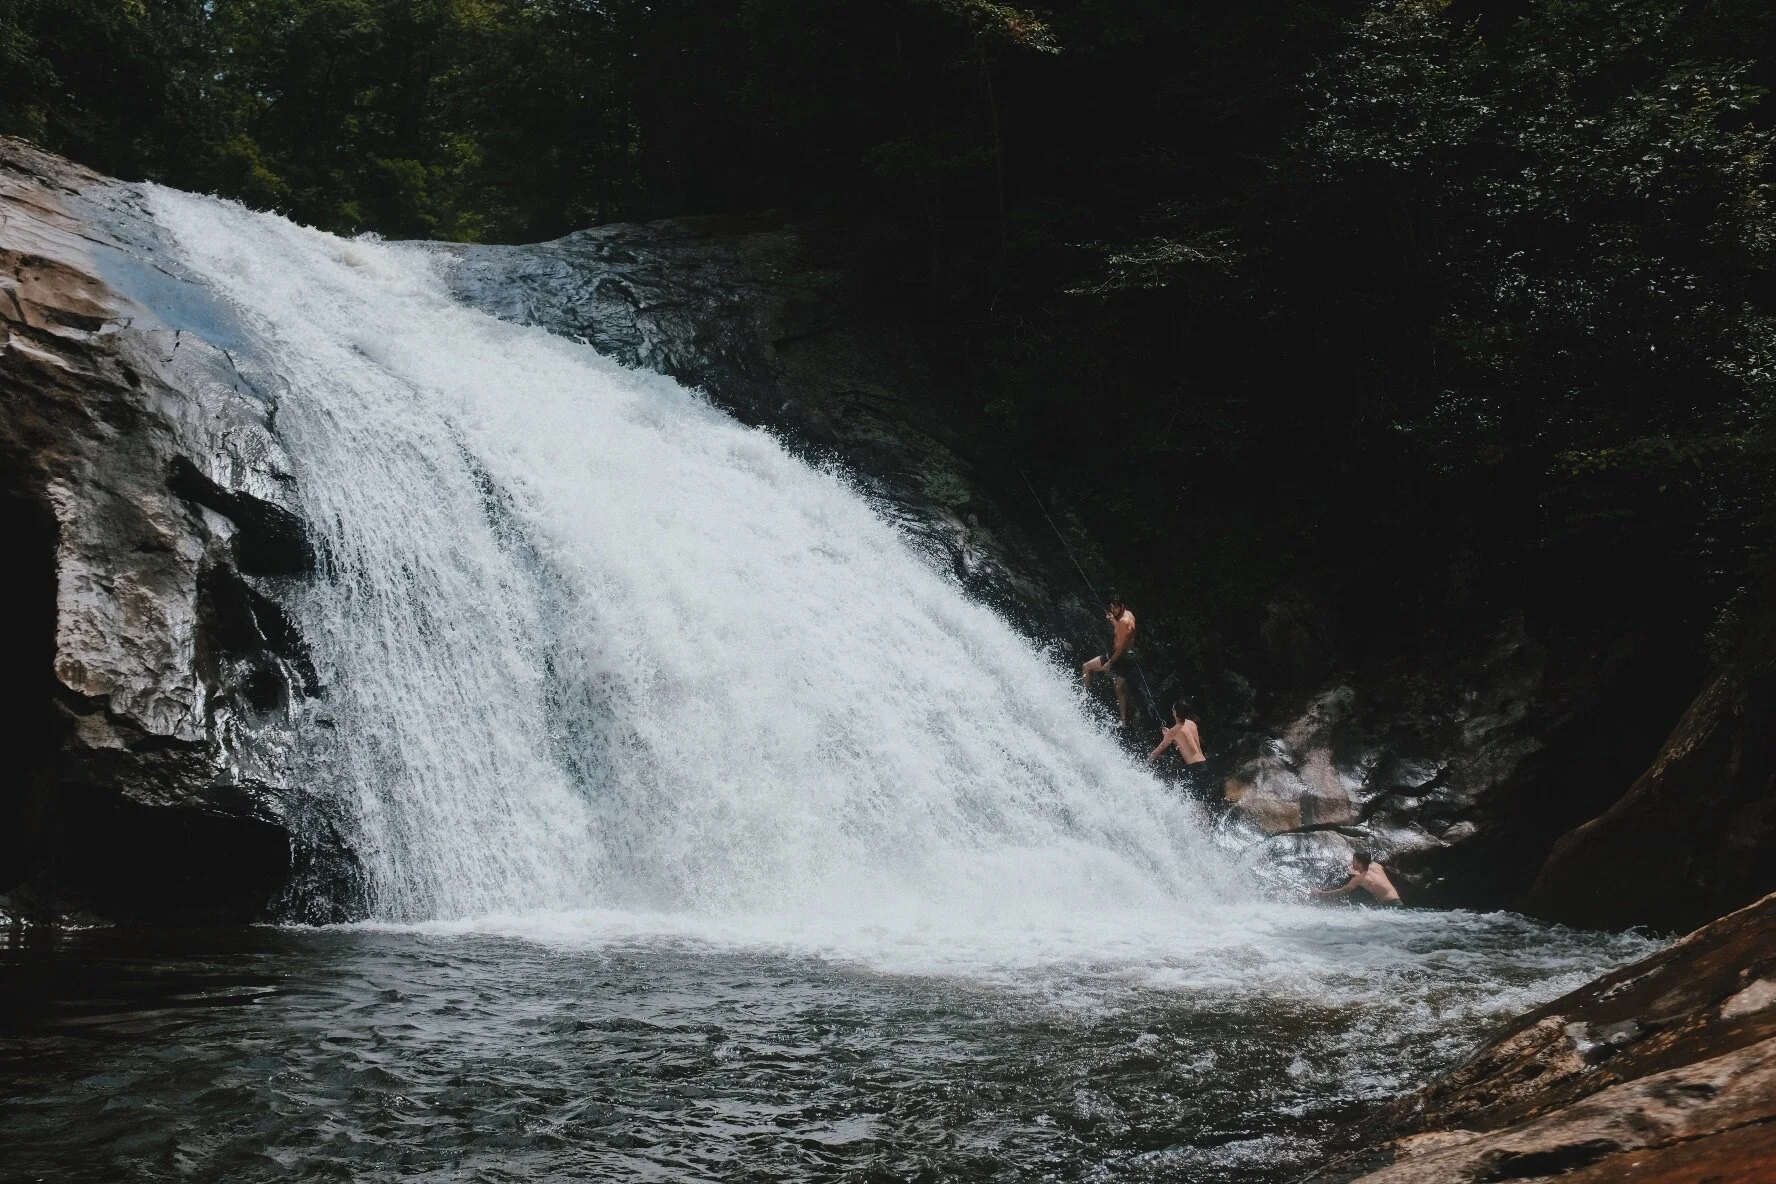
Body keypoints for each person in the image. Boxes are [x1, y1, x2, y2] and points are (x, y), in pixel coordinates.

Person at [1081, 594, 1138, 727]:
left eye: (1115, 608)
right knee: (1119, 688)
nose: (1113, 610)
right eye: (1111, 607)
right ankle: (1124, 721)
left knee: (1087, 667)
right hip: (1129, 656)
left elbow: (1122, 645)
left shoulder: (1125, 621)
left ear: (1122, 606)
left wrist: (1110, 662)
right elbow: (1121, 632)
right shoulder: (1128, 615)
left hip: (1119, 656)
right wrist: (1113, 621)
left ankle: (1084, 699)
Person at [1311, 848, 1402, 907]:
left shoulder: (1360, 879)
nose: (1352, 863)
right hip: (1398, 902)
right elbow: (1367, 869)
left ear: (1358, 863)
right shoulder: (1377, 866)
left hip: (1390, 905)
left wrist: (1320, 894)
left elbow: (1343, 891)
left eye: (1353, 861)